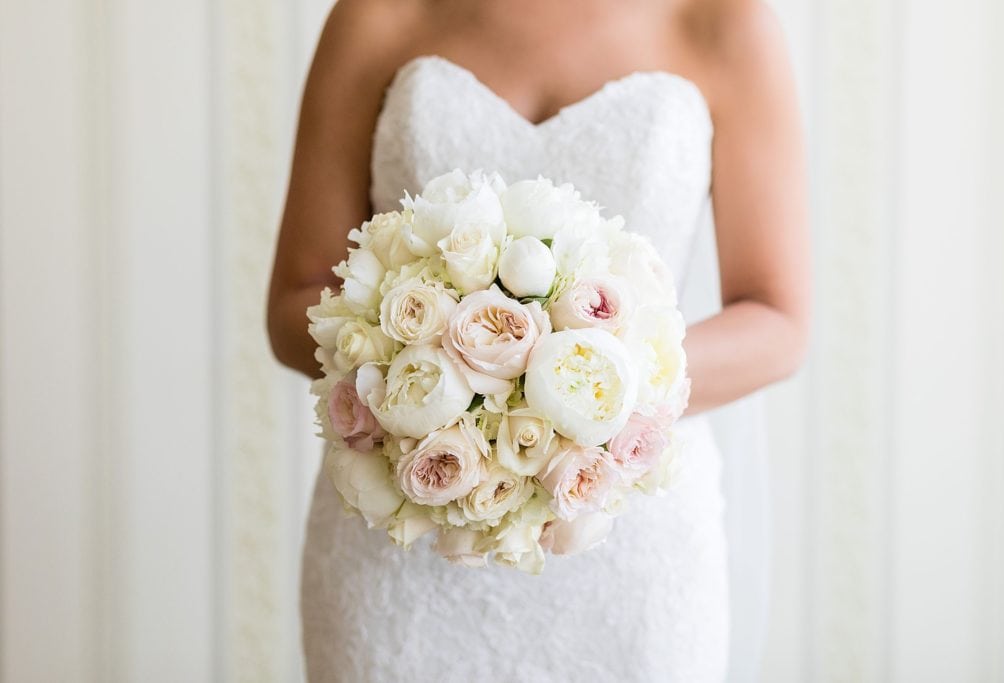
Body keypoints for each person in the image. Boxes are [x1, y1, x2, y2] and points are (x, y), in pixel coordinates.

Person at [266, 0, 809, 680]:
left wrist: (584, 389)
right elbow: (294, 304)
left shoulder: (723, 19)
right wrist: (430, 360)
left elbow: (777, 319)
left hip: (634, 559)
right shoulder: (376, 13)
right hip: (400, 550)